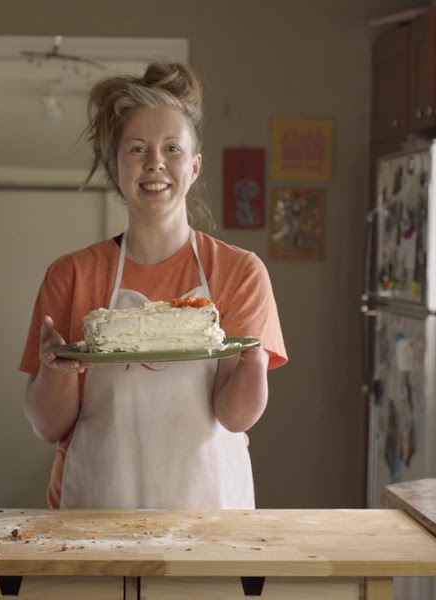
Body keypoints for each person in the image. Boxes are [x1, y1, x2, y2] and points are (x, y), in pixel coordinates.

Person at [19, 62, 287, 510]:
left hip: (208, 516)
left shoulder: (239, 272)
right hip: (94, 514)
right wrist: (56, 367)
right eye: (136, 149)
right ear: (115, 168)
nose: (154, 163)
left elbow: (234, 416)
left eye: (172, 148)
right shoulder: (73, 275)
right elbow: (48, 426)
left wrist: (253, 363)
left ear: (195, 166)